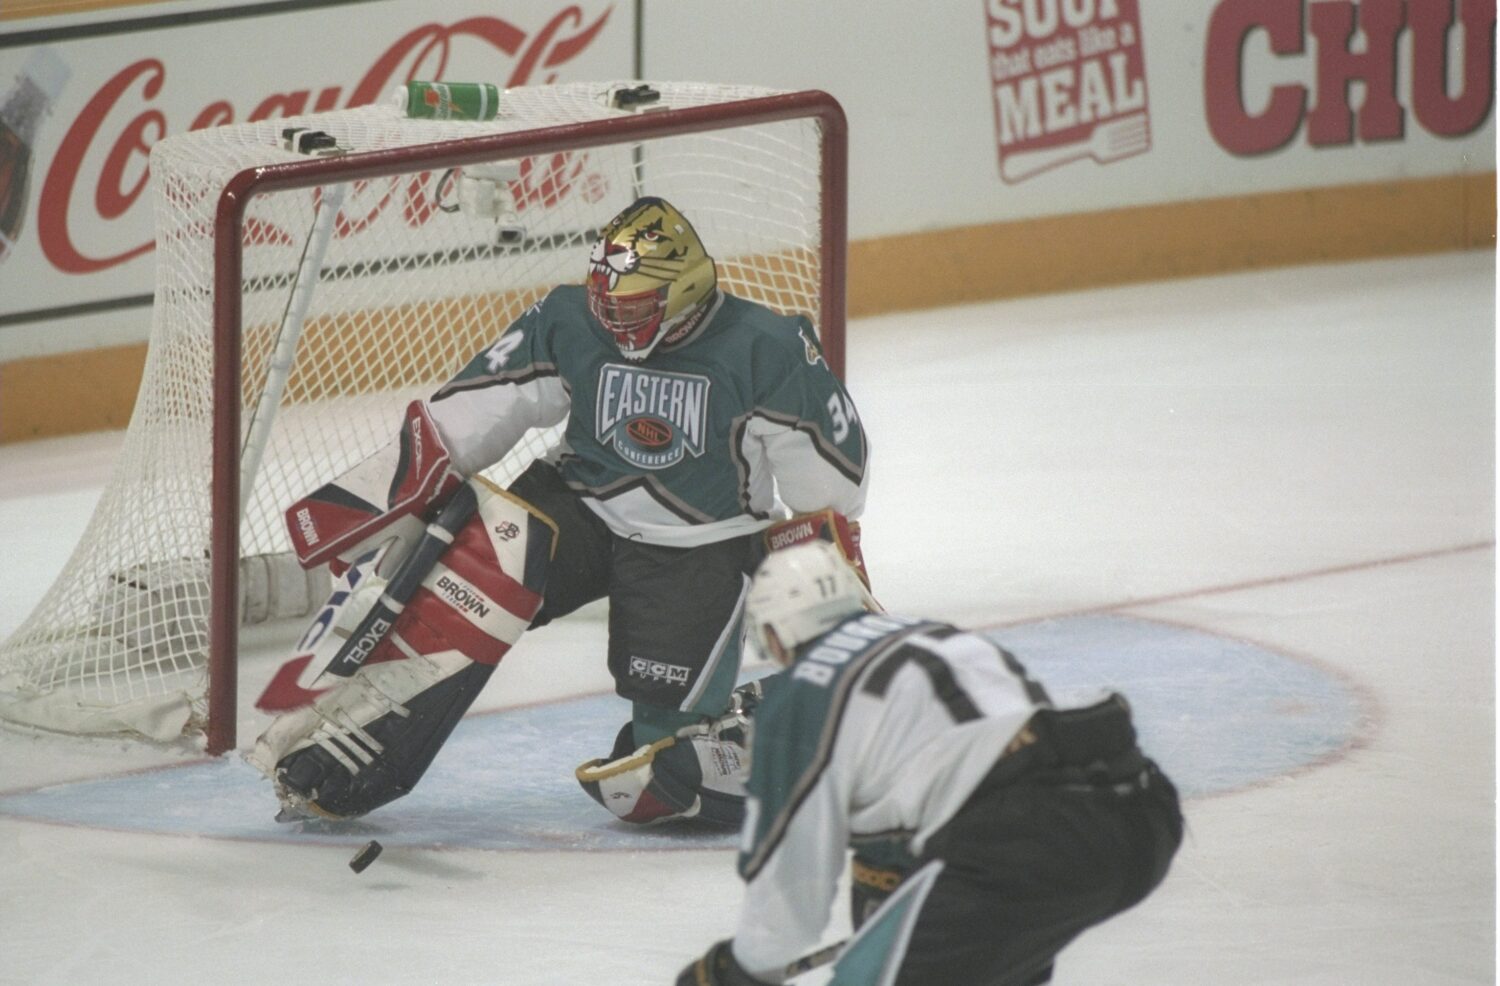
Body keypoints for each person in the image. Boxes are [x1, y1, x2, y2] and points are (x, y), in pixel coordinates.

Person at [247, 196, 871, 828]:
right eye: (605, 306)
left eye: (630, 309)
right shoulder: (570, 318)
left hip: (699, 542)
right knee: (467, 576)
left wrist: (825, 585)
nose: (613, 323)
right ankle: (349, 746)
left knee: (657, 779)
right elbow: (475, 411)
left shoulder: (766, 348)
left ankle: (760, 736)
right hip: (579, 505)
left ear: (684, 291)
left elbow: (827, 489)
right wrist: (390, 490)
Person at [677, 541, 1182, 986]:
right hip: (1139, 812)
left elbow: (791, 880)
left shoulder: (802, 692)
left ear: (777, 633)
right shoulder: (936, 636)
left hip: (1021, 843)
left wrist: (744, 970)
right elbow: (965, 768)